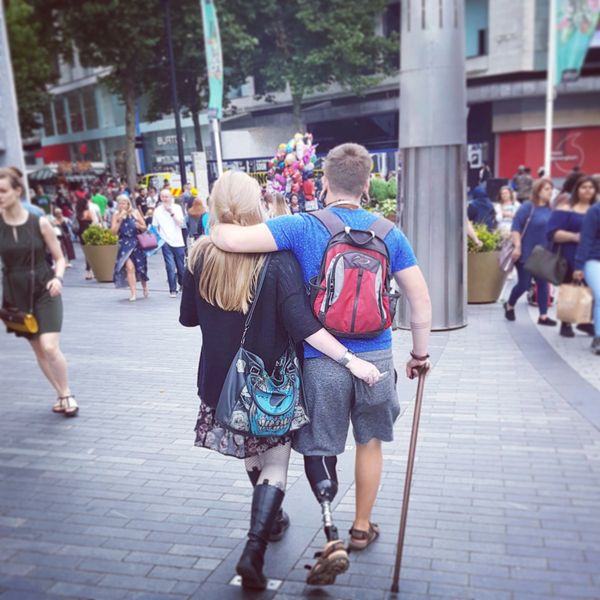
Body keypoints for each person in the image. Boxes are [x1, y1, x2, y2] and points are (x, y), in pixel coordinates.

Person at [211, 143, 432, 585]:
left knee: (323, 446)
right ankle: (361, 528)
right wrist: (419, 355)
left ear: (325, 182)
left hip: (322, 358)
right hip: (376, 353)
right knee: (371, 441)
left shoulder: (300, 226)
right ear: (367, 185)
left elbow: (231, 239)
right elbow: (420, 301)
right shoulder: (390, 232)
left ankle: (329, 525)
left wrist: (216, 221)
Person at [179, 170, 381, 590]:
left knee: (252, 450)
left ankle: (268, 521)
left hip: (222, 381)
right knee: (275, 461)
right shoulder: (277, 259)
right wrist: (350, 360)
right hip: (272, 381)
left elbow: (188, 318)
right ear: (257, 206)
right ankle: (254, 547)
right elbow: (301, 324)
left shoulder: (198, 255)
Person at [0, 168, 78, 416]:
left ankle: (67, 394)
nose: (0, 196)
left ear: (17, 191)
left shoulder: (39, 222)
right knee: (38, 349)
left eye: (3, 191)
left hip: (46, 288)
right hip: (16, 293)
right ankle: (60, 393)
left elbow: (60, 257)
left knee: (50, 346)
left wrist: (58, 278)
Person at [548, 176, 598, 337]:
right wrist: (574, 237)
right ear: (577, 189)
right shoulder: (566, 208)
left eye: (591, 187)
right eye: (584, 187)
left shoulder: (596, 209)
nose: (588, 190)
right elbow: (552, 232)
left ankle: (585, 321)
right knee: (570, 287)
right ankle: (566, 322)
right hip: (569, 254)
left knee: (592, 291)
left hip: (593, 255)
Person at [504, 178, 555, 326]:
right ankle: (510, 304)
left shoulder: (551, 209)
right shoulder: (528, 207)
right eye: (546, 189)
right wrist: (518, 247)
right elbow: (516, 228)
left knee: (543, 284)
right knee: (524, 284)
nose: (550, 192)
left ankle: (543, 316)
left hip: (543, 254)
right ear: (538, 191)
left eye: (551, 189)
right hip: (526, 252)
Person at [573, 181, 600, 354]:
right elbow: (586, 239)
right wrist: (579, 265)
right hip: (593, 260)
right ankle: (598, 337)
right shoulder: (595, 211)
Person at [111, 194, 149, 302]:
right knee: (130, 268)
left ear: (128, 203)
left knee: (140, 268)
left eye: (124, 203)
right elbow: (113, 232)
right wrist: (119, 219)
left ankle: (144, 286)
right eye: (120, 203)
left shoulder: (135, 213)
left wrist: (139, 226)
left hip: (136, 242)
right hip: (124, 244)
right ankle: (133, 293)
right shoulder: (116, 215)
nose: (122, 205)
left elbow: (145, 228)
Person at [152, 188, 185, 297]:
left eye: (167, 196)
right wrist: (160, 239)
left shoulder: (177, 208)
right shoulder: (157, 210)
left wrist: (171, 212)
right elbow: (154, 226)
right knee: (170, 266)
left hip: (178, 241)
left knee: (181, 266)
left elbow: (181, 223)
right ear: (160, 198)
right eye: (163, 197)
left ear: (171, 197)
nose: (165, 199)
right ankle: (172, 289)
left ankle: (182, 284)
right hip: (165, 241)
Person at [76, 196, 97, 280]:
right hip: (89, 233)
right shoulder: (89, 212)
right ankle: (92, 271)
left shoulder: (78, 213)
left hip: (81, 233)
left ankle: (88, 272)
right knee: (92, 253)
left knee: (86, 253)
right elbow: (94, 222)